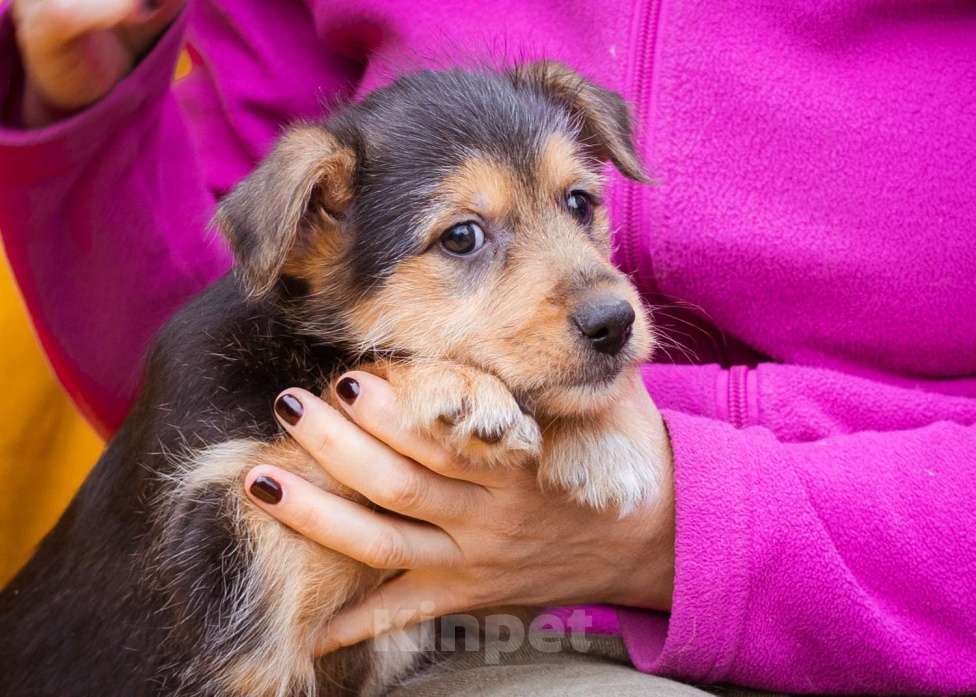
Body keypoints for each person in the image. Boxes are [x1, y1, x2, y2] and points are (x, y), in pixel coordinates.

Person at [2, 0, 975, 694]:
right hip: (479, 639)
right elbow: (211, 361)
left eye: (581, 206)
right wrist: (91, 117)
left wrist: (685, 522)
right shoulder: (317, 226)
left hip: (893, 586)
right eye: (464, 239)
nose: (596, 296)